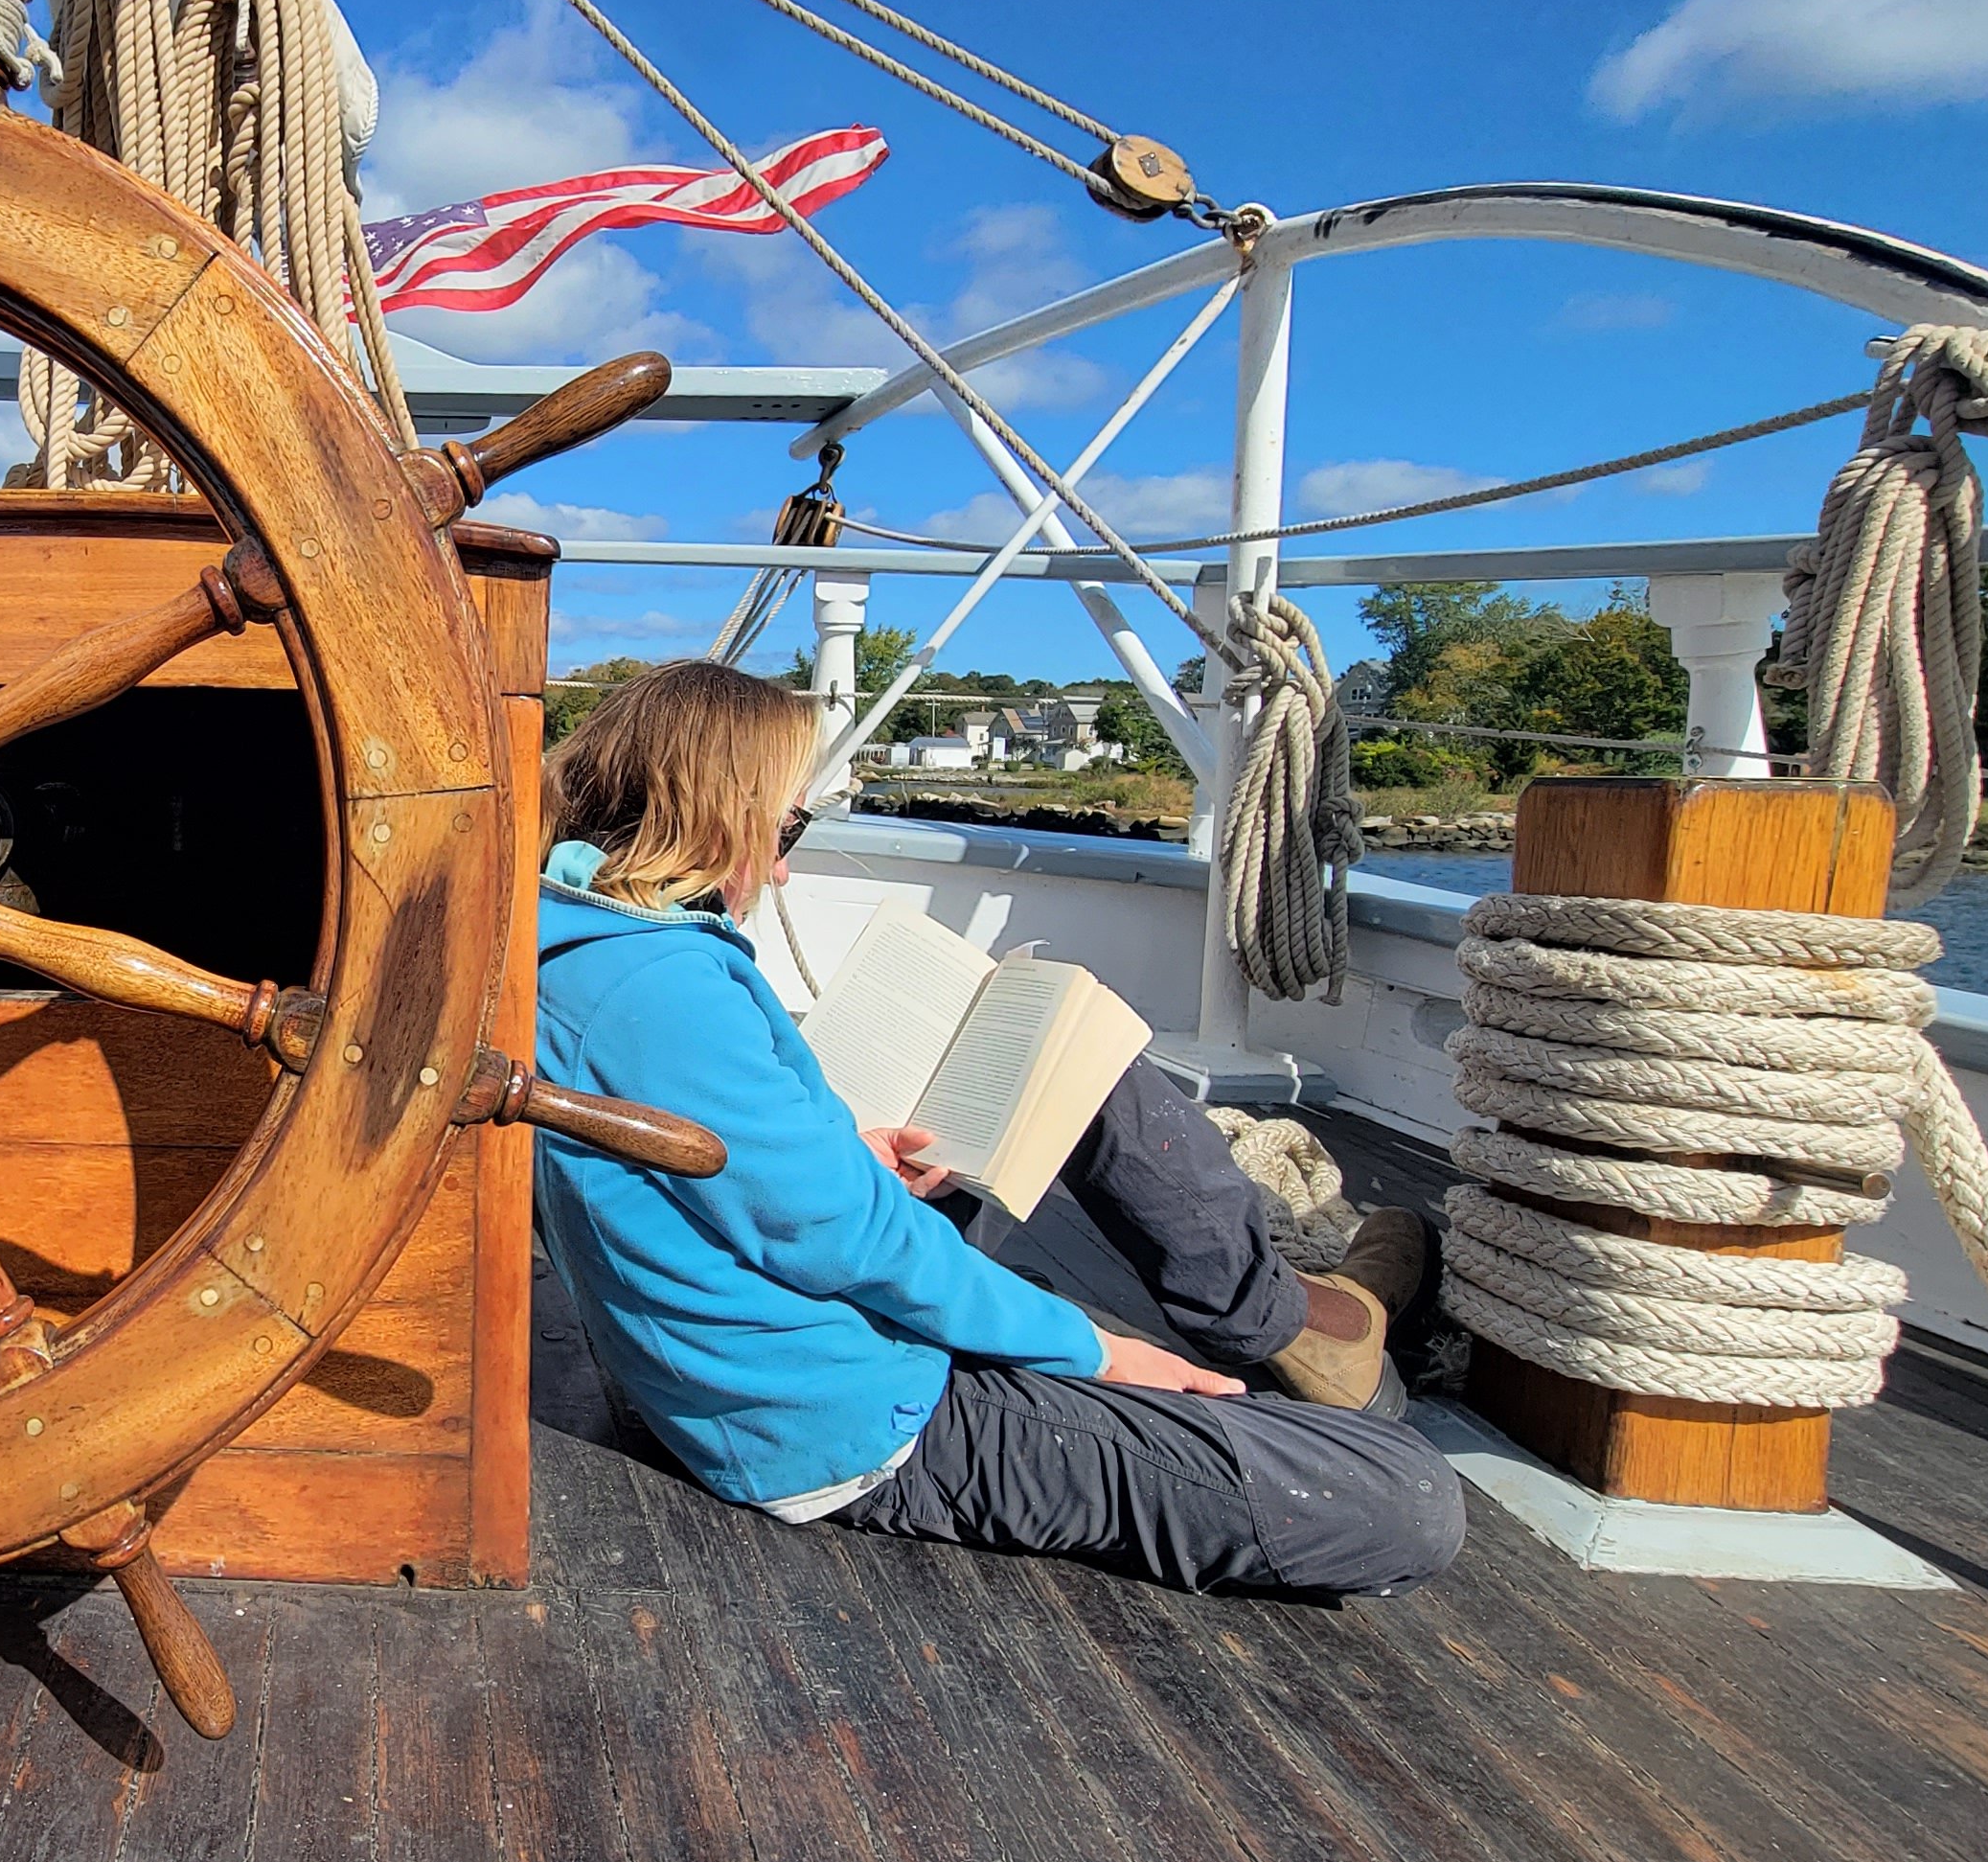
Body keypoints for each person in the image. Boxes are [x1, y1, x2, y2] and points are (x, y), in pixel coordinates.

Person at [531, 662, 1463, 1600]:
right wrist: (1106, 1356)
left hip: (804, 1348)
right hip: (847, 1416)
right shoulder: (663, 995)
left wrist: (846, 1154)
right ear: (715, 813)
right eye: (788, 828)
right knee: (1410, 1496)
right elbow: (857, 1246)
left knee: (1077, 1059)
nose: (782, 866)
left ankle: (1280, 1320)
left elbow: (746, 1184)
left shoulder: (597, 941)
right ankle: (1301, 1334)